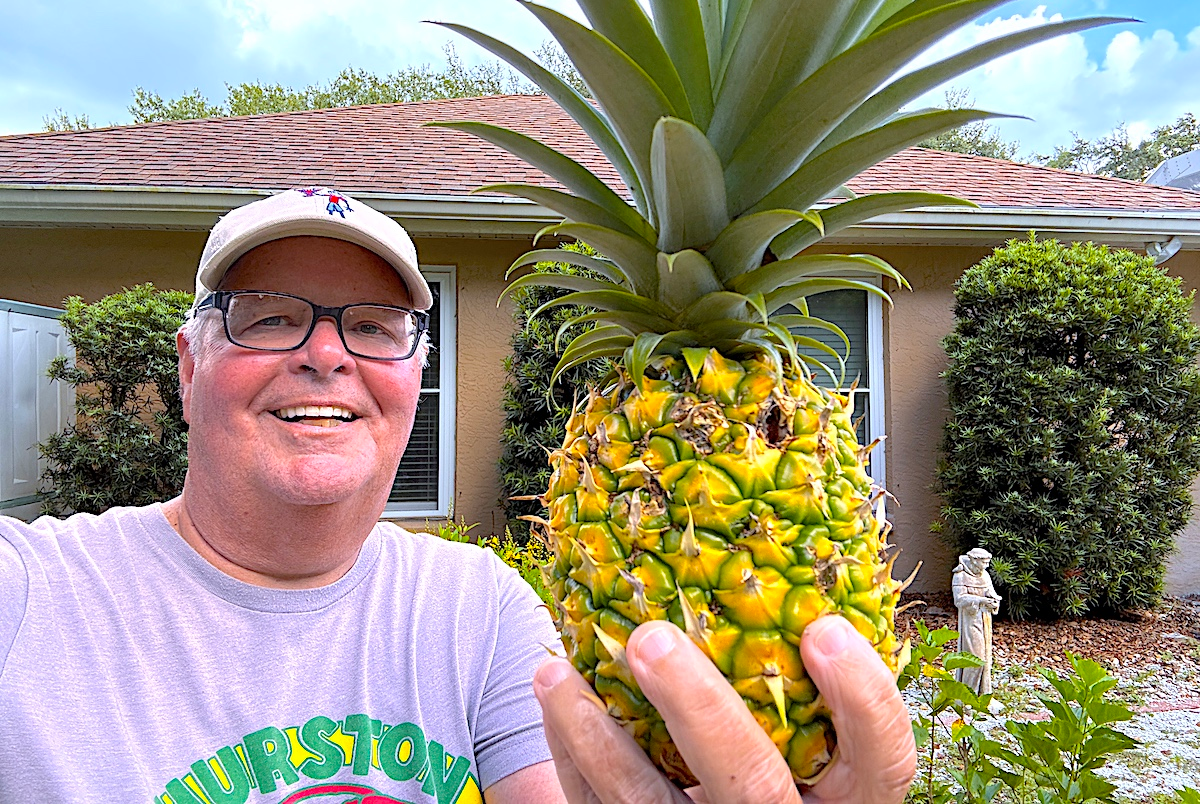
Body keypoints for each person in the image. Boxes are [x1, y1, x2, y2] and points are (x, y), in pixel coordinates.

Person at [0, 187, 915, 803]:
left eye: (374, 326)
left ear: (415, 375)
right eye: (270, 316)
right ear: (189, 365)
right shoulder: (30, 594)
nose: (326, 355)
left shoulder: (480, 611)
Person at [952, 547, 1003, 696]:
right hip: (970, 621)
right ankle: (966, 696)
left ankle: (982, 694)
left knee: (985, 660)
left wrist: (994, 602)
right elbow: (959, 600)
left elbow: (991, 594)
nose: (986, 566)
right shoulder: (960, 575)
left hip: (985, 620)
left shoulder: (984, 575)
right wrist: (980, 600)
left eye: (987, 563)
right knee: (975, 658)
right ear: (974, 561)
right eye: (984, 562)